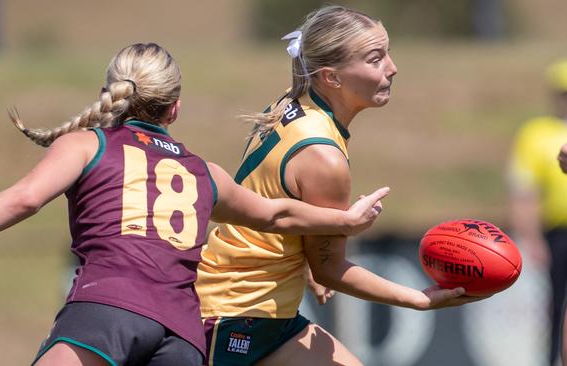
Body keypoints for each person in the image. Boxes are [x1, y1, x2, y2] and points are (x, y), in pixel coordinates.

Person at [0, 43, 392, 366]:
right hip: (183, 337)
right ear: (175, 109)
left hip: (107, 313)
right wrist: (344, 222)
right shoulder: (202, 170)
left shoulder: (88, 145)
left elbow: (22, 200)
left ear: (111, 95)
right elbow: (277, 214)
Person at [195, 5, 484, 366]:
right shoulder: (324, 157)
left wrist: (305, 261)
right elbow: (329, 270)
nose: (392, 68)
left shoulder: (294, 102)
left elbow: (275, 200)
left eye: (387, 53)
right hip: (238, 314)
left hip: (263, 308)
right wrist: (419, 299)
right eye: (375, 59)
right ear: (331, 77)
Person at [508, 58, 567, 366]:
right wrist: (530, 238)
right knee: (556, 305)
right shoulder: (537, 133)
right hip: (558, 233)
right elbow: (523, 190)